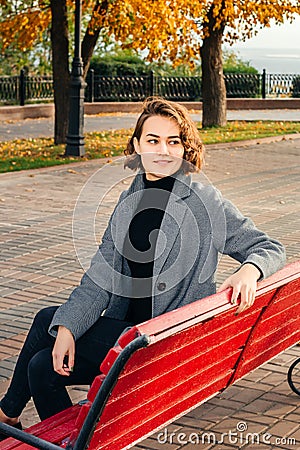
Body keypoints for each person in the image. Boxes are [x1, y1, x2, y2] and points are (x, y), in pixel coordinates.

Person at [0, 97, 285, 438]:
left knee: (47, 320)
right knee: (42, 366)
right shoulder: (127, 203)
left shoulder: (205, 202)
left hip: (166, 343)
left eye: (173, 141)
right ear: (137, 145)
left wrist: (249, 270)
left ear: (184, 148)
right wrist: (68, 327)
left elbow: (269, 247)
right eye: (153, 140)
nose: (162, 150)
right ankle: (71, 439)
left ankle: (7, 415)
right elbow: (99, 281)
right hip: (130, 335)